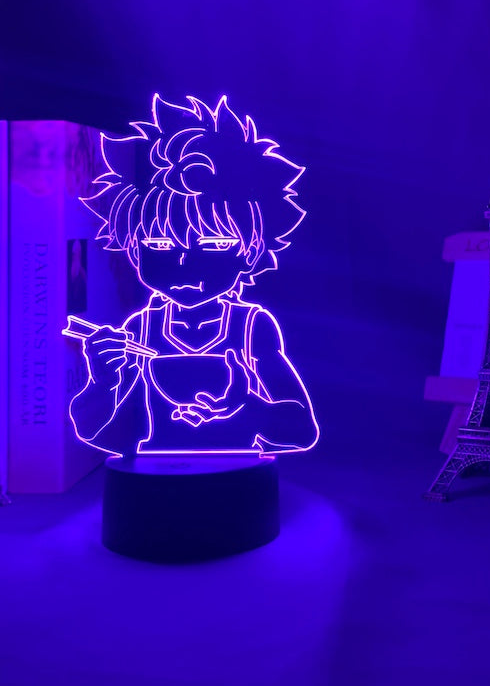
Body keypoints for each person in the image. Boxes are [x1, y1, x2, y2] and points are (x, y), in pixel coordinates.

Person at [68, 95, 318, 458]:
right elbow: (103, 436)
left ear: (249, 250)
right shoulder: (142, 329)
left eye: (215, 244)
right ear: (134, 250)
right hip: (156, 478)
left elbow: (302, 429)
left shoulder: (252, 327)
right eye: (159, 244)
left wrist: (248, 408)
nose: (184, 263)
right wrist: (102, 383)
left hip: (238, 476)